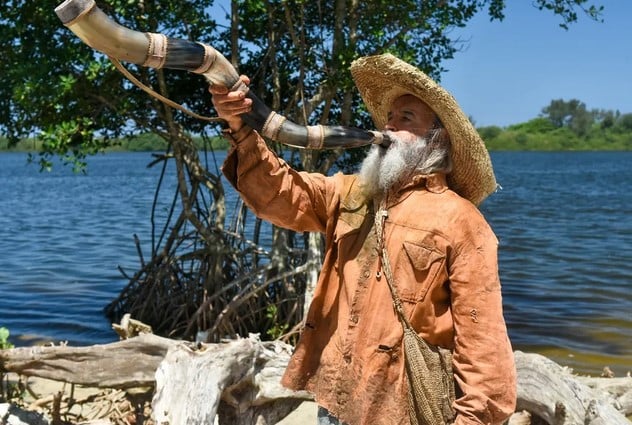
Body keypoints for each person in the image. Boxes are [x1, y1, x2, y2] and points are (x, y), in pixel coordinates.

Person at [210, 53, 517, 425]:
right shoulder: (352, 193)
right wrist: (239, 124)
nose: (388, 128)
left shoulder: (461, 221)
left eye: (406, 119)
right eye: (388, 117)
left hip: (402, 409)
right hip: (336, 399)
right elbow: (280, 194)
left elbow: (482, 340)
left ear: (435, 141)